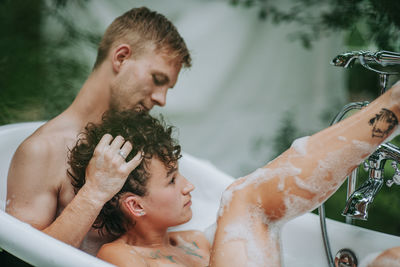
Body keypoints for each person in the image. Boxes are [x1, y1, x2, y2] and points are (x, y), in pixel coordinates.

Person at [69, 81, 400, 267]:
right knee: (242, 198)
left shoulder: (194, 241)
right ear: (135, 206)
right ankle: (393, 107)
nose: (189, 186)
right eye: (171, 180)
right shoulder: (119, 256)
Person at [6, 6, 191, 255]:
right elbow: (21, 256)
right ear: (121, 57)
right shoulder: (43, 151)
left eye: (168, 87)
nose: (161, 99)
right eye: (157, 79)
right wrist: (93, 193)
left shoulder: (140, 144)